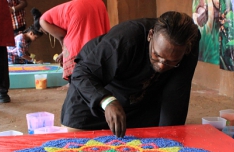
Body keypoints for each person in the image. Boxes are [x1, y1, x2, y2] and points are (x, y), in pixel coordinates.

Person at [60, 11, 201, 138]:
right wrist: (107, 101)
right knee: (72, 142)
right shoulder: (126, 38)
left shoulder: (189, 42)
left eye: (172, 61)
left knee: (156, 140)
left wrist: (169, 137)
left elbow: (176, 92)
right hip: (95, 83)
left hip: (139, 93)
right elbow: (82, 73)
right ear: (150, 35)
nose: (162, 65)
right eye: (156, 55)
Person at [39, 0, 110, 89]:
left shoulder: (42, 21)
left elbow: (62, 36)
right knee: (94, 36)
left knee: (73, 47)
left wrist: (64, 53)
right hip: (97, 3)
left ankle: (73, 82)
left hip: (79, 8)